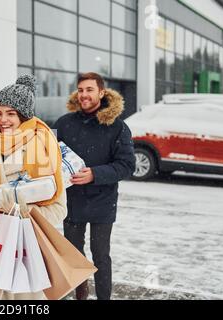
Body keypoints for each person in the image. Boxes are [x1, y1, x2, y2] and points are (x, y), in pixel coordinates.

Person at [0, 74, 67, 300]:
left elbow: (59, 208)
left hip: (27, 246)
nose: (3, 120)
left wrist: (25, 212)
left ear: (24, 116)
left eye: (11, 113)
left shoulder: (44, 148)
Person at [52, 72, 135, 300]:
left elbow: (127, 165)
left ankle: (104, 297)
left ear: (101, 92)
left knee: (100, 255)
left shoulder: (118, 127)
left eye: (89, 90)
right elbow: (46, 153)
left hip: (103, 201)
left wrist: (95, 174)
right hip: (73, 201)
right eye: (80, 90)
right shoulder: (63, 123)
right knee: (74, 255)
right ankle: (81, 294)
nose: (84, 95)